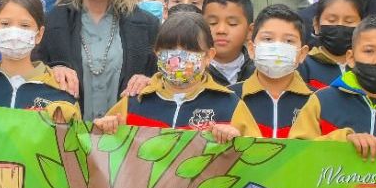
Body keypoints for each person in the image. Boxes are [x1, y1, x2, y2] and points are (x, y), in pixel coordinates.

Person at [34, 0, 159, 120]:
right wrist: (49, 72)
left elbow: (168, 87)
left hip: (127, 135)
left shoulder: (148, 27)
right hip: (64, 135)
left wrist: (151, 82)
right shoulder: (51, 23)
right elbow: (29, 77)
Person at [94, 11, 258, 140]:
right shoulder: (134, 102)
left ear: (209, 56)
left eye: (189, 50)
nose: (177, 58)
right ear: (157, 53)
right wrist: (105, 127)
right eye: (170, 49)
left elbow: (257, 156)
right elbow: (99, 148)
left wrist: (237, 139)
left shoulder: (229, 105)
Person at [289, 16, 376, 158]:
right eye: (369, 51)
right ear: (351, 58)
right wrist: (342, 140)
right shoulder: (322, 102)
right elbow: (294, 156)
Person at [232, 4, 312, 138]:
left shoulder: (317, 101)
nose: (277, 47)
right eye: (268, 39)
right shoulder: (229, 97)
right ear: (251, 49)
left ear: (302, 53)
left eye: (288, 41)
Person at [298, 0, 363, 90]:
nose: (340, 25)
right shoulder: (303, 66)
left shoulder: (367, 69)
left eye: (349, 21)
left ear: (362, 26)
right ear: (316, 25)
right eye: (332, 20)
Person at [203, 0, 255, 86]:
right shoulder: (193, 70)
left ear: (250, 31)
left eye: (232, 23)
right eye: (212, 23)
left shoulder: (260, 73)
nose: (221, 30)